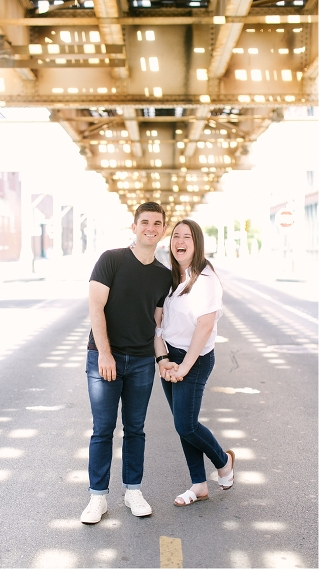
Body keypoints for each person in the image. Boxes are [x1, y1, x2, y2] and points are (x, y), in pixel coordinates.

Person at [81, 201, 173, 525]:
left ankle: (133, 491)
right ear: (134, 227)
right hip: (104, 357)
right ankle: (97, 497)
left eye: (157, 223)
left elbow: (156, 324)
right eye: (145, 222)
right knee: (103, 429)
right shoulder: (111, 260)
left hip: (142, 363)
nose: (151, 227)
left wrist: (161, 359)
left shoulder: (164, 277)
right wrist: (105, 354)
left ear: (163, 229)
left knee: (135, 429)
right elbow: (95, 308)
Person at [154, 219, 234, 506]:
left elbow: (204, 326)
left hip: (195, 360)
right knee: (182, 423)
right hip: (171, 359)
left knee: (186, 425)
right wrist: (163, 360)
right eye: (176, 236)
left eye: (187, 236)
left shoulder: (206, 279)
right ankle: (199, 484)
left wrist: (184, 368)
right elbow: (159, 324)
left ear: (196, 243)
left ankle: (223, 461)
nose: (180, 241)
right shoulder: (173, 278)